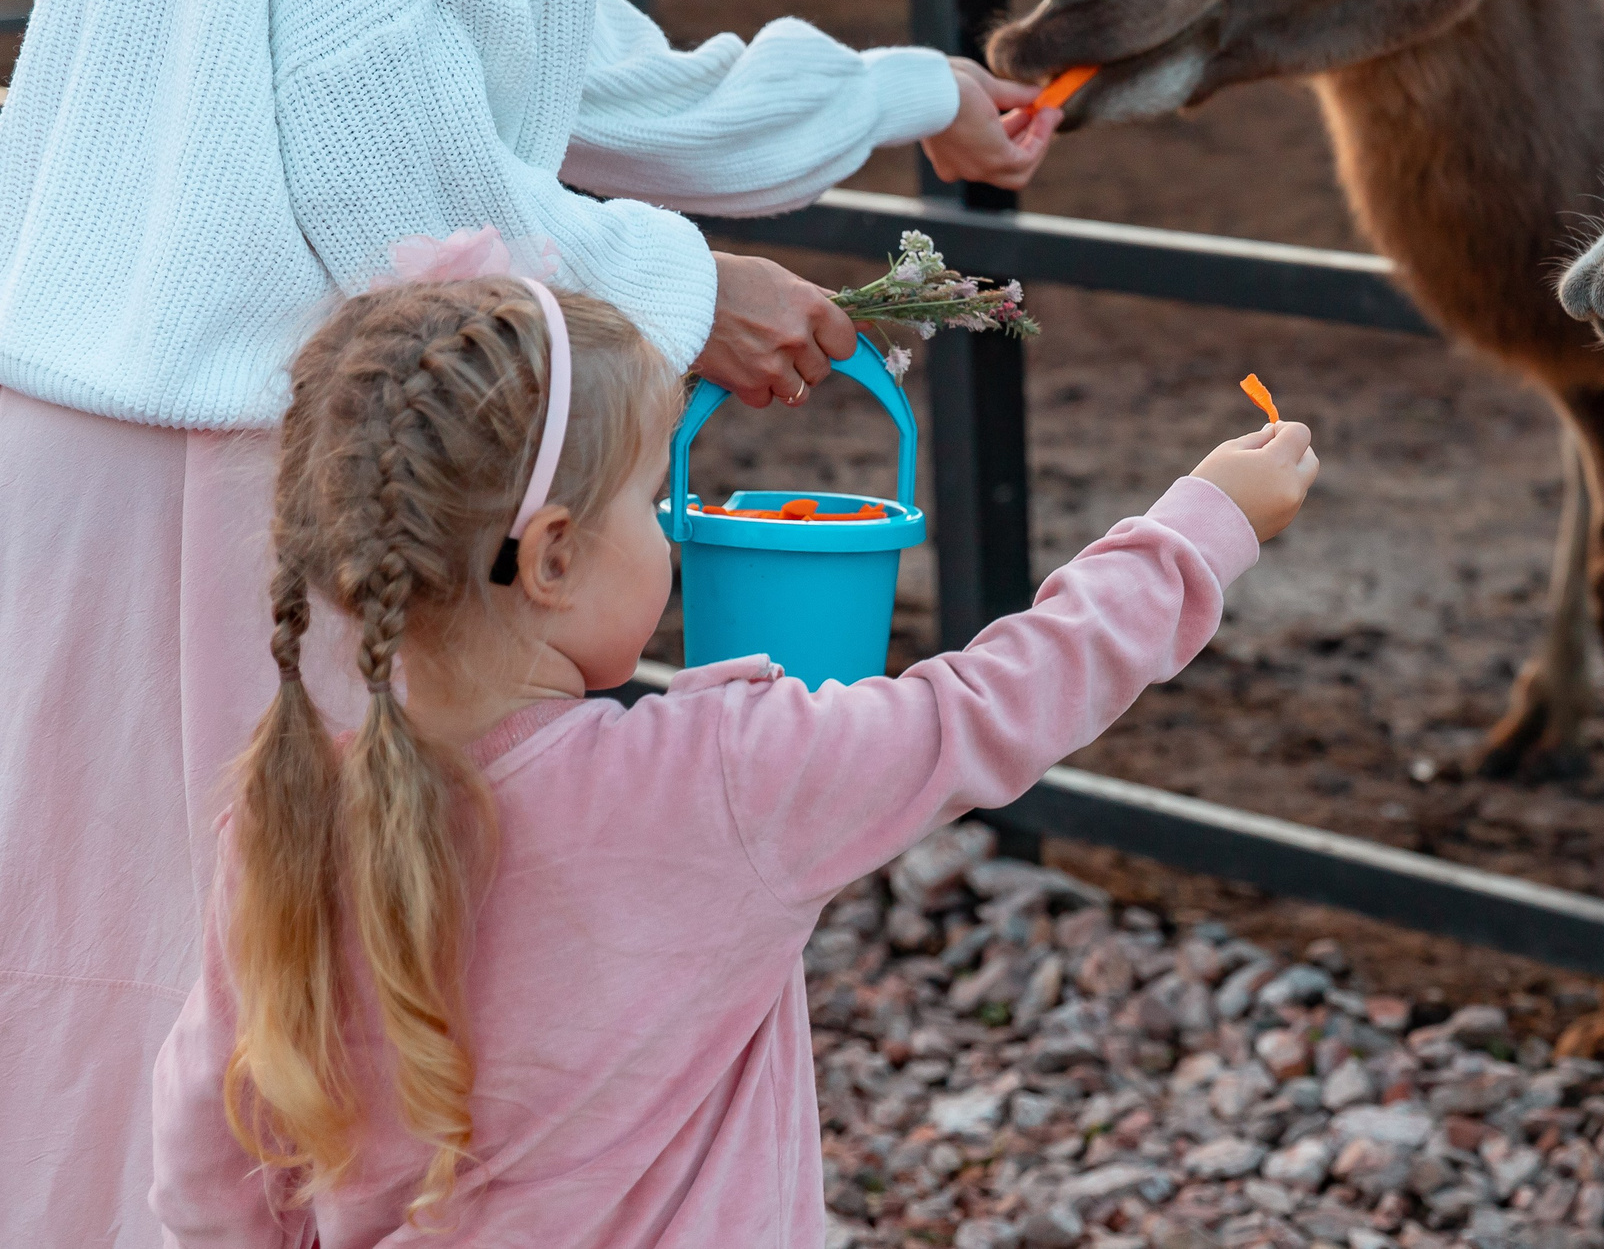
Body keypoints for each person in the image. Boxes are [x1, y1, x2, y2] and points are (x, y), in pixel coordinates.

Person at [0, 0, 1061, 1239]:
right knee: (315, 1051)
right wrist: (691, 291)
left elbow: (538, 43)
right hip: (275, 453)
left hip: (80, 439)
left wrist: (902, 92)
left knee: (107, 1018)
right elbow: (385, 139)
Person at [147, 271, 1319, 1242]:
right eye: (651, 504)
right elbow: (989, 706)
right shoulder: (724, 776)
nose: (664, 532)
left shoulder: (282, 814)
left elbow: (212, 1149)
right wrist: (1196, 532)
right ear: (552, 558)